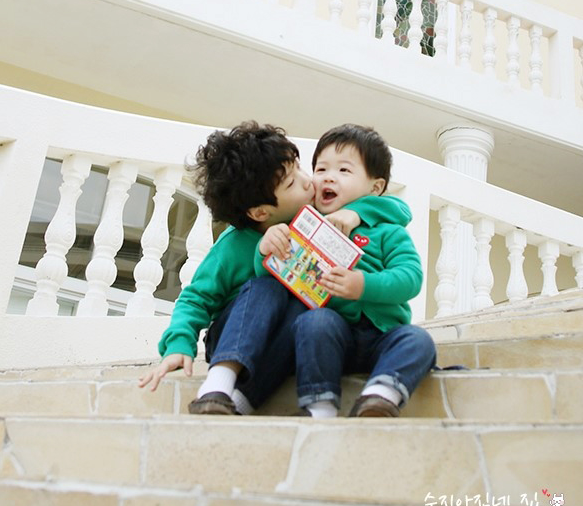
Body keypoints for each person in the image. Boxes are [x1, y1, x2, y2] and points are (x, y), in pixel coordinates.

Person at [138, 120, 316, 414]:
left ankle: (240, 402)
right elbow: (196, 299)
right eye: (292, 182)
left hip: (282, 341)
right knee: (267, 286)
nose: (308, 180)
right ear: (260, 212)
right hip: (232, 337)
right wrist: (179, 344)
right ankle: (218, 384)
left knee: (306, 313)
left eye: (300, 169)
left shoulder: (315, 224)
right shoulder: (232, 248)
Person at [288, 123, 436, 418]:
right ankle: (320, 405)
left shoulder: (386, 232)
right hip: (330, 336)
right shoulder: (305, 223)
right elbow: (276, 267)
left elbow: (410, 277)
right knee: (314, 323)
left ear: (375, 187)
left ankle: (380, 395)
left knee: (419, 341)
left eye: (344, 171)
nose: (329, 176)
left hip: (382, 336)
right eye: (320, 169)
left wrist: (363, 284)